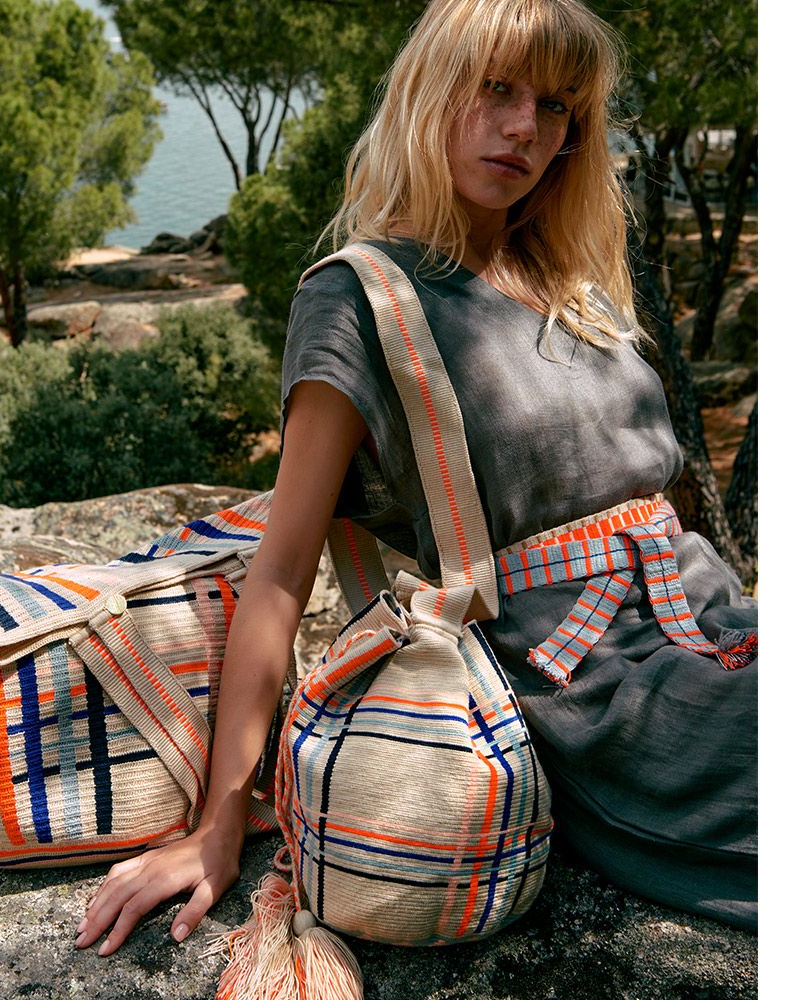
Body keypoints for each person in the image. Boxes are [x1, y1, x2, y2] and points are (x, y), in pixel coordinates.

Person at [75, 0, 757, 957]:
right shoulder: (359, 298)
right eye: (496, 87)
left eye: (555, 105)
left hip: (715, 624)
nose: (525, 127)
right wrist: (218, 823)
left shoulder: (567, 279)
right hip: (589, 689)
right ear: (430, 89)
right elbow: (281, 573)